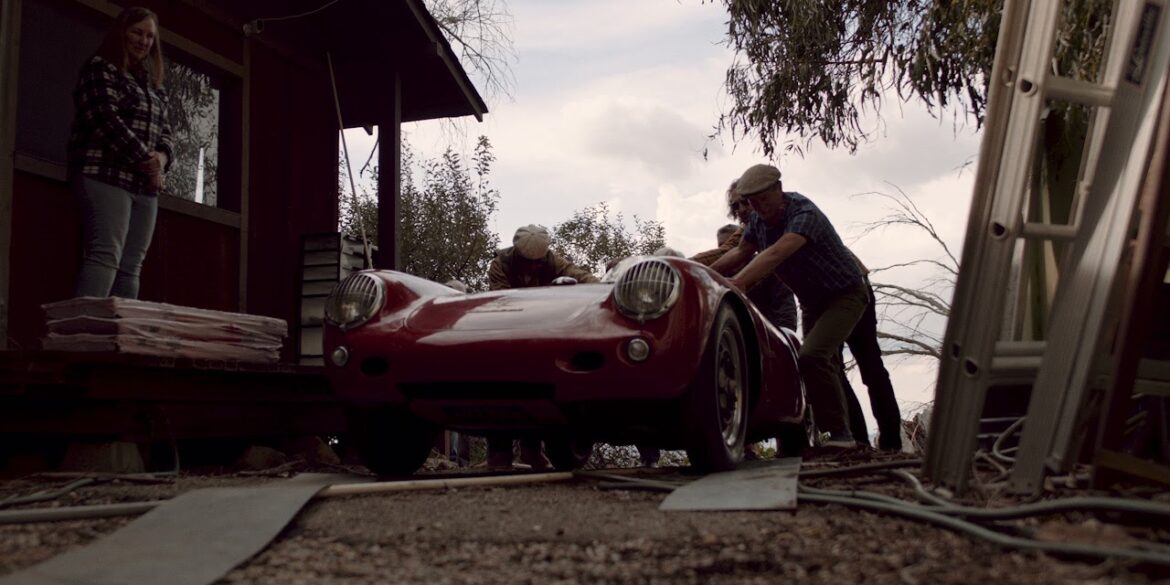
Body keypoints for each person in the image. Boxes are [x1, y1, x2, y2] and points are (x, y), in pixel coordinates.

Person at [710, 164, 868, 448]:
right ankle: (845, 436)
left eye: (764, 199)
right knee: (821, 364)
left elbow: (775, 254)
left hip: (845, 294)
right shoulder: (757, 221)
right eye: (752, 202)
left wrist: (738, 284)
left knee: (813, 356)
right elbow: (738, 252)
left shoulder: (803, 213)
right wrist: (703, 274)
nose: (759, 207)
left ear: (778, 190)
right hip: (812, 302)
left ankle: (843, 436)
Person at [67, 6, 174, 300]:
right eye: (137, 32)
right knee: (105, 255)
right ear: (122, 32)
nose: (143, 41)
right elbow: (104, 118)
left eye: (150, 36)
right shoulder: (101, 67)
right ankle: (84, 335)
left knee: (131, 267)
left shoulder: (155, 86)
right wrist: (148, 162)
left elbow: (166, 134)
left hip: (145, 187)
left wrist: (161, 160)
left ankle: (118, 337)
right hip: (104, 175)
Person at [485, 225, 599, 469]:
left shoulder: (552, 261)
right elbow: (502, 299)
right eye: (529, 262)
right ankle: (499, 452)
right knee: (500, 390)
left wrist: (601, 287)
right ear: (518, 253)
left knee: (537, 390)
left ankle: (531, 450)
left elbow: (577, 273)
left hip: (538, 337)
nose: (534, 266)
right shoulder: (500, 265)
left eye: (538, 262)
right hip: (508, 334)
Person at [692, 181, 798, 332]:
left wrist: (688, 268)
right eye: (735, 206)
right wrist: (699, 274)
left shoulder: (793, 215)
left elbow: (773, 258)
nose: (741, 210)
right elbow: (731, 250)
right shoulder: (749, 229)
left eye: (746, 202)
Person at [835, 260, 904, 451]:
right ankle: (863, 441)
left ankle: (882, 441)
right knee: (843, 367)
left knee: (866, 364)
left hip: (849, 287)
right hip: (844, 286)